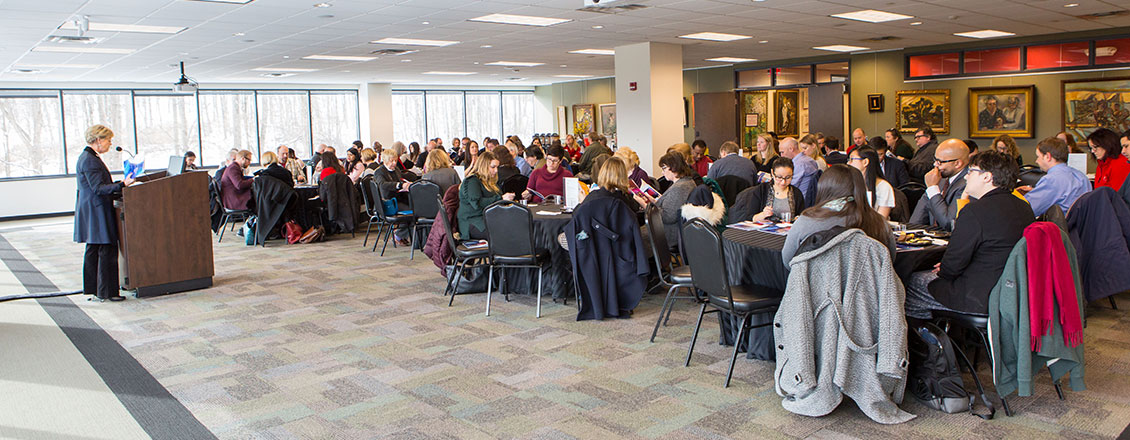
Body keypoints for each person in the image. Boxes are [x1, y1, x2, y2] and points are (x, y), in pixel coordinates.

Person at [904, 151, 1035, 319]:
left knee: (911, 283)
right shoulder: (1024, 207)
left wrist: (944, 269)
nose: (966, 177)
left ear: (987, 177)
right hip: (1013, 292)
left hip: (977, 297)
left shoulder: (975, 211)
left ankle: (929, 339)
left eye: (971, 171)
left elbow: (952, 266)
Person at [781, 164, 895, 265]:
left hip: (816, 287)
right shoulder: (879, 223)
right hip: (867, 287)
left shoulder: (807, 221)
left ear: (824, 187)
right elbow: (889, 260)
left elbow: (788, 261)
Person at [74, 125, 135, 302]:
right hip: (97, 210)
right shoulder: (90, 160)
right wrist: (122, 184)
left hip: (94, 209)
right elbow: (98, 188)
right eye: (108, 140)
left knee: (94, 249)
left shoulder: (88, 157)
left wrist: (119, 184)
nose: (110, 144)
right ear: (98, 140)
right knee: (106, 249)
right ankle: (108, 292)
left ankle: (96, 290)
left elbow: (98, 184)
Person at [1018, 137, 1090, 216]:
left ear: (1048, 156)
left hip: (1060, 226)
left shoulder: (1051, 180)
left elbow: (1026, 210)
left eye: (1038, 156)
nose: (1036, 161)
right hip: (1080, 226)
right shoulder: (1081, 176)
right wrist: (1036, 191)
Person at [909, 139, 970, 231]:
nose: (935, 165)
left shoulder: (968, 184)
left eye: (940, 162)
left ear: (957, 163)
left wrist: (933, 188)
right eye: (935, 160)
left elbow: (948, 223)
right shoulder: (940, 178)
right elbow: (918, 217)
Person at [457, 151, 515, 240]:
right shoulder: (472, 181)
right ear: (483, 166)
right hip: (473, 221)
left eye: (497, 167)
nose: (496, 170)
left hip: (488, 218)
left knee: (515, 226)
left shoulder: (490, 182)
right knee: (506, 232)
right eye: (493, 167)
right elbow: (477, 203)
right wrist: (501, 198)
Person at [730, 157, 805, 223]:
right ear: (772, 173)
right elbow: (751, 218)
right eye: (779, 177)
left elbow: (801, 216)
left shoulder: (796, 193)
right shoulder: (761, 191)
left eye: (788, 177)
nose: (783, 182)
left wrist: (798, 219)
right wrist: (763, 214)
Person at [652, 152, 697, 246]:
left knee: (633, 237)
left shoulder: (680, 188)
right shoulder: (685, 182)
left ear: (673, 167)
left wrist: (647, 206)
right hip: (669, 230)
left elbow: (668, 217)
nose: (662, 172)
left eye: (664, 168)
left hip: (668, 233)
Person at [373, 151, 412, 246]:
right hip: (387, 203)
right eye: (391, 161)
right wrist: (400, 185)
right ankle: (399, 235)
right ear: (385, 161)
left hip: (398, 199)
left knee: (416, 208)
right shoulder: (379, 172)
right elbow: (383, 185)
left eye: (395, 160)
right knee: (412, 213)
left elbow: (399, 182)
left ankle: (402, 234)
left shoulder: (396, 170)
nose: (394, 163)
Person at [848, 146, 895, 219]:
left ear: (865, 162)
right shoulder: (850, 183)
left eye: (852, 159)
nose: (848, 163)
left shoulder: (884, 187)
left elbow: (881, 220)